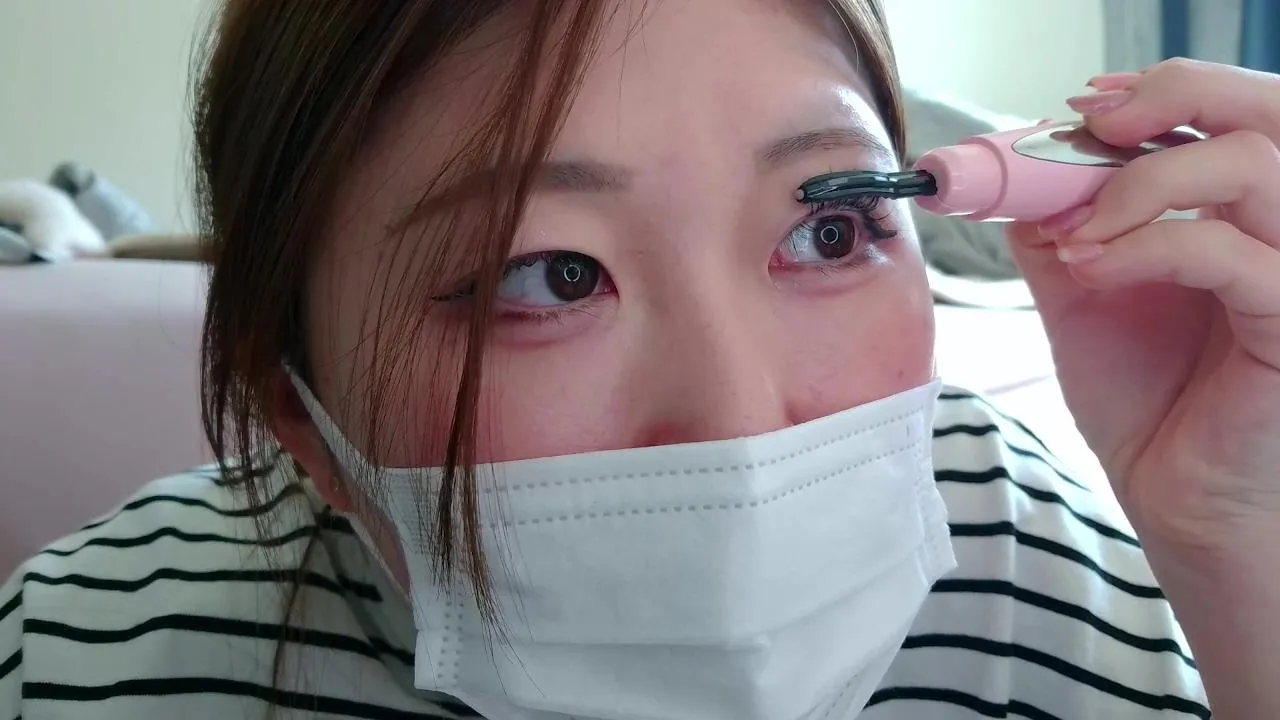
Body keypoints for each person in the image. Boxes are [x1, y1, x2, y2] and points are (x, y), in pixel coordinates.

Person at [2, 0, 1278, 717]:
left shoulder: (1029, 560)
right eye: (548, 274)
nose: (740, 423)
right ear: (293, 403)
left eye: (828, 230)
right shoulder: (85, 658)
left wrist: (1241, 567)